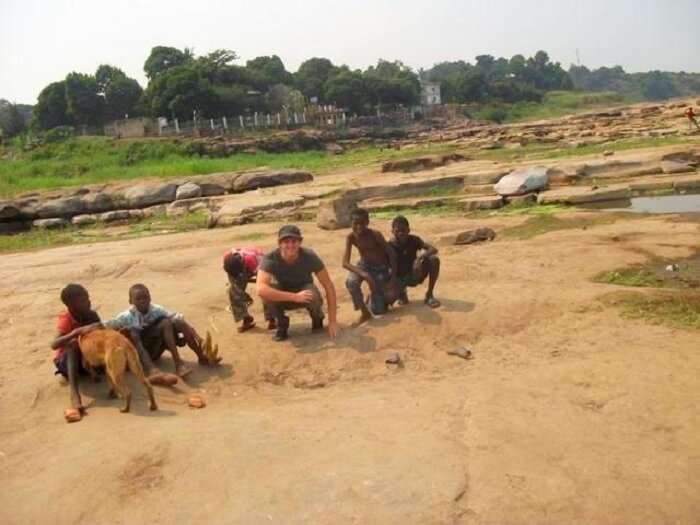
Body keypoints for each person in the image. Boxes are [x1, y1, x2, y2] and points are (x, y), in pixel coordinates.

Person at [106, 284, 217, 379]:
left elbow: (177, 318)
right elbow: (109, 324)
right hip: (141, 352)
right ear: (131, 301)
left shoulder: (156, 310)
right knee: (133, 331)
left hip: (156, 347)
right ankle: (151, 369)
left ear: (150, 297)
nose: (143, 301)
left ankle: (196, 358)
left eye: (145, 297)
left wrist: (198, 337)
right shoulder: (126, 316)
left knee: (172, 322)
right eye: (138, 299)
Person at [257, 224, 338, 341]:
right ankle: (281, 322)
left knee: (312, 292)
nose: (290, 245)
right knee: (268, 291)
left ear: (300, 242)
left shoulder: (309, 256)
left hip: (304, 292)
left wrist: (332, 321)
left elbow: (328, 285)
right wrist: (294, 297)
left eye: (294, 241)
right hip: (285, 295)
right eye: (286, 242)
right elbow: (260, 289)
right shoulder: (270, 259)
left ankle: (317, 316)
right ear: (279, 243)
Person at [50, 284, 102, 423]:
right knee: (73, 343)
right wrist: (76, 332)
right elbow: (54, 344)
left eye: (88, 298)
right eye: (84, 300)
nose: (89, 302)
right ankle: (74, 393)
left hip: (87, 361)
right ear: (71, 305)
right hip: (67, 363)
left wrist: (97, 327)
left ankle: (95, 371)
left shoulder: (92, 315)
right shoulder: (66, 319)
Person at [343, 208, 398, 323]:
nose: (359, 227)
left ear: (367, 222)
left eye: (362, 223)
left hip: (380, 269)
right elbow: (345, 263)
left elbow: (391, 254)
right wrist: (365, 275)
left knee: (379, 310)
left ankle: (373, 298)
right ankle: (364, 312)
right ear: (350, 223)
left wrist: (392, 279)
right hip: (364, 266)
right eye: (355, 224)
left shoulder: (375, 235)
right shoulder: (351, 237)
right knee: (351, 282)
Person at [389, 215, 442, 308]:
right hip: (399, 278)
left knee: (434, 260)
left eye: (403, 230)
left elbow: (433, 249)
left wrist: (419, 258)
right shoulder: (389, 246)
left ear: (408, 230)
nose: (401, 233)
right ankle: (402, 293)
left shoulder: (414, 240)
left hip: (415, 274)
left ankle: (429, 295)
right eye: (397, 231)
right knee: (383, 305)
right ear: (392, 231)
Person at [223, 246, 275, 333]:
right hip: (237, 268)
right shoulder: (227, 258)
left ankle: (272, 319)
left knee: (265, 289)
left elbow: (264, 276)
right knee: (233, 291)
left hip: (256, 266)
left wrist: (260, 281)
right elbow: (234, 277)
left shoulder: (256, 260)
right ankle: (246, 318)